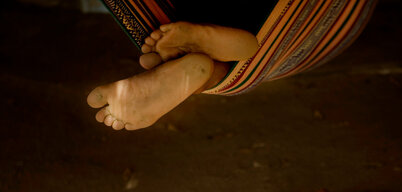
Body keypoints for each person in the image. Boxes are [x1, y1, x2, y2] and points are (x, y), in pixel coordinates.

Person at [87, 0, 377, 130]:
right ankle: (201, 47)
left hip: (197, 11)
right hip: (264, 20)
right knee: (250, 40)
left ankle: (198, 64)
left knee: (226, 38)